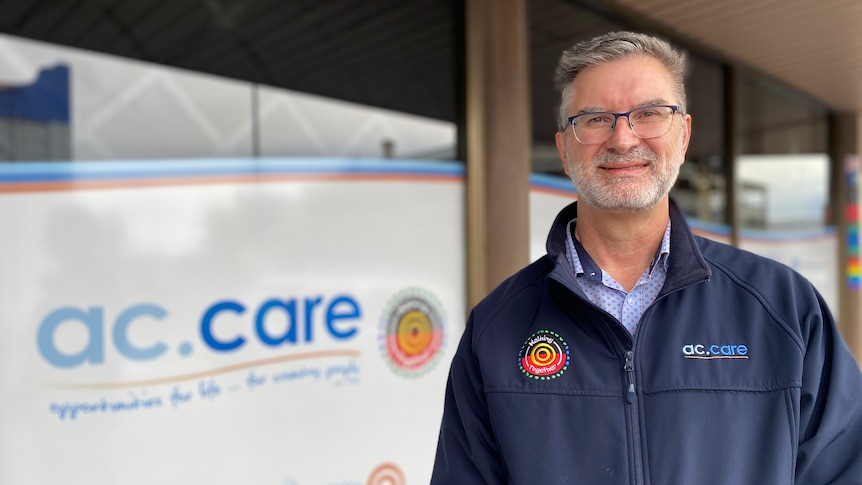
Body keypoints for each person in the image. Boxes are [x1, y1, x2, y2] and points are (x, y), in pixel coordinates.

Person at [430, 31, 862, 484]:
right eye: (595, 119)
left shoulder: (782, 307)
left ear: (684, 135)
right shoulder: (498, 326)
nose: (622, 138)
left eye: (649, 114)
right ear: (563, 148)